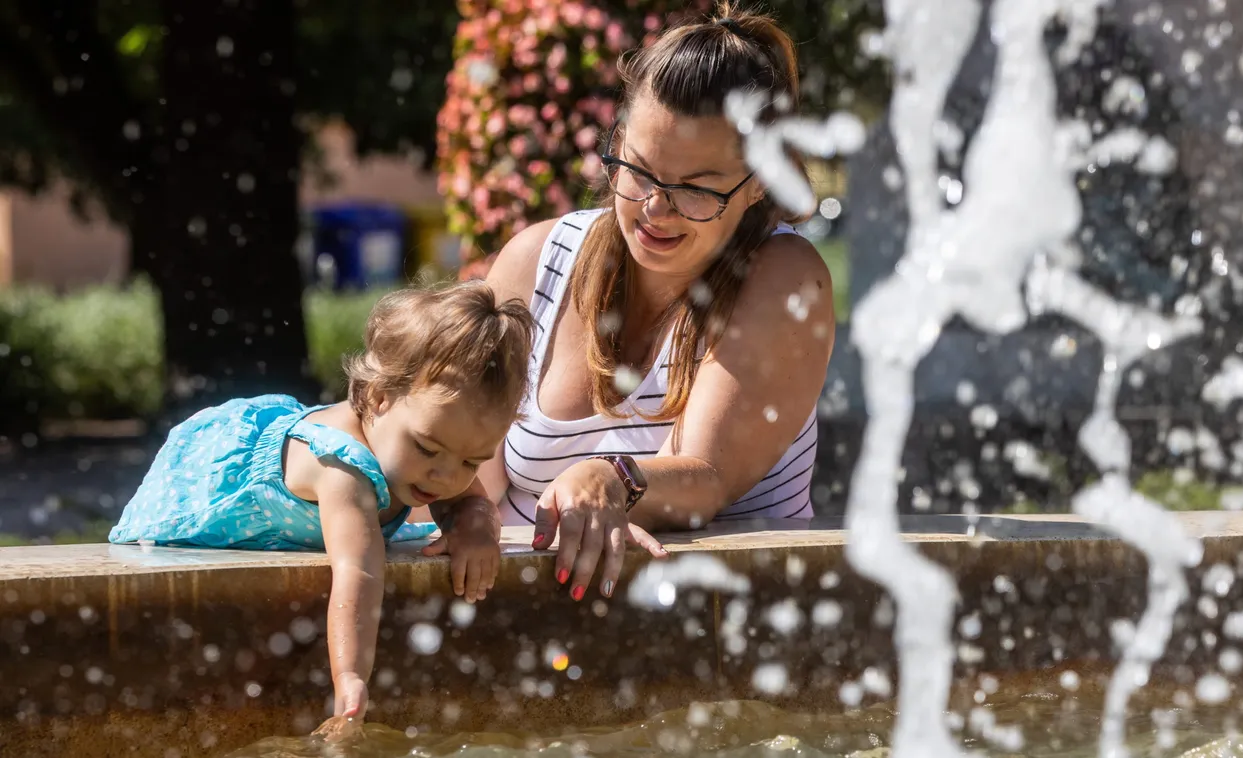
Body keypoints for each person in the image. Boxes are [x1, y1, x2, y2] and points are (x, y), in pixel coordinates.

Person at [447, 3, 836, 603]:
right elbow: (455, 460)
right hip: (522, 628)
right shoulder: (534, 261)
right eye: (639, 171)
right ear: (618, 140)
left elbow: (706, 478)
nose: (656, 209)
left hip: (722, 632)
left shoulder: (785, 279)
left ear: (760, 181)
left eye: (696, 189)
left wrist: (612, 477)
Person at [108, 280, 533, 727]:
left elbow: (470, 500)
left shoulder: (431, 443)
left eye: (472, 460)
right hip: (203, 489)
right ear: (378, 397)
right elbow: (359, 572)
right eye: (427, 449)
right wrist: (350, 675)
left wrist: (477, 526)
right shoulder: (342, 470)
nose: (446, 476)